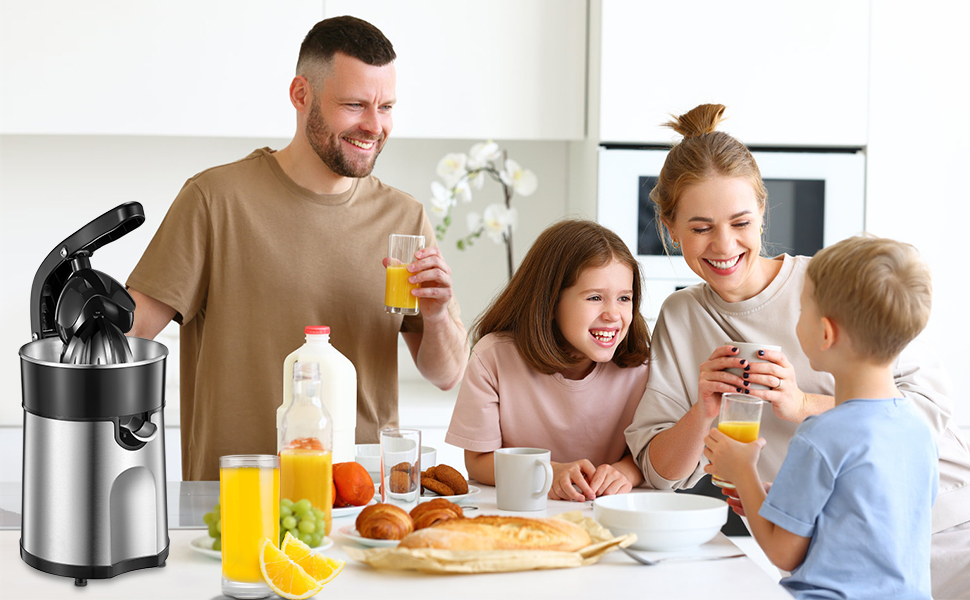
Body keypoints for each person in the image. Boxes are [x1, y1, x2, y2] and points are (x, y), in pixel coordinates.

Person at [624, 103, 970, 598]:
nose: (724, 245)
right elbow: (661, 476)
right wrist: (703, 412)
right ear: (670, 226)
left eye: (740, 222)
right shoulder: (680, 317)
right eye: (700, 228)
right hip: (833, 554)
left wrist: (803, 404)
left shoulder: (827, 285)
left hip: (942, 529)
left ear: (762, 212)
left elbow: (926, 413)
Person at [126, 16, 468, 481]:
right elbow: (130, 338)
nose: (374, 126)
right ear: (301, 94)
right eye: (355, 105)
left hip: (358, 497)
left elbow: (447, 375)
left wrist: (437, 313)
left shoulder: (403, 217)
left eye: (386, 107)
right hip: (238, 496)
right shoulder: (215, 201)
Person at [703, 235, 937, 599]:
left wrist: (743, 471)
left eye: (801, 310)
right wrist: (777, 500)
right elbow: (866, 530)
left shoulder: (822, 435)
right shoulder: (917, 430)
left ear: (826, 333)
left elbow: (783, 553)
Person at [445, 220, 650, 501]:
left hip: (611, 511)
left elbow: (652, 452)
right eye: (595, 297)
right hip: (521, 512)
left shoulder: (642, 367)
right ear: (551, 302)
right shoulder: (493, 357)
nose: (613, 314)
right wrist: (547, 472)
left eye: (624, 298)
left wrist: (627, 471)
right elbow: (478, 461)